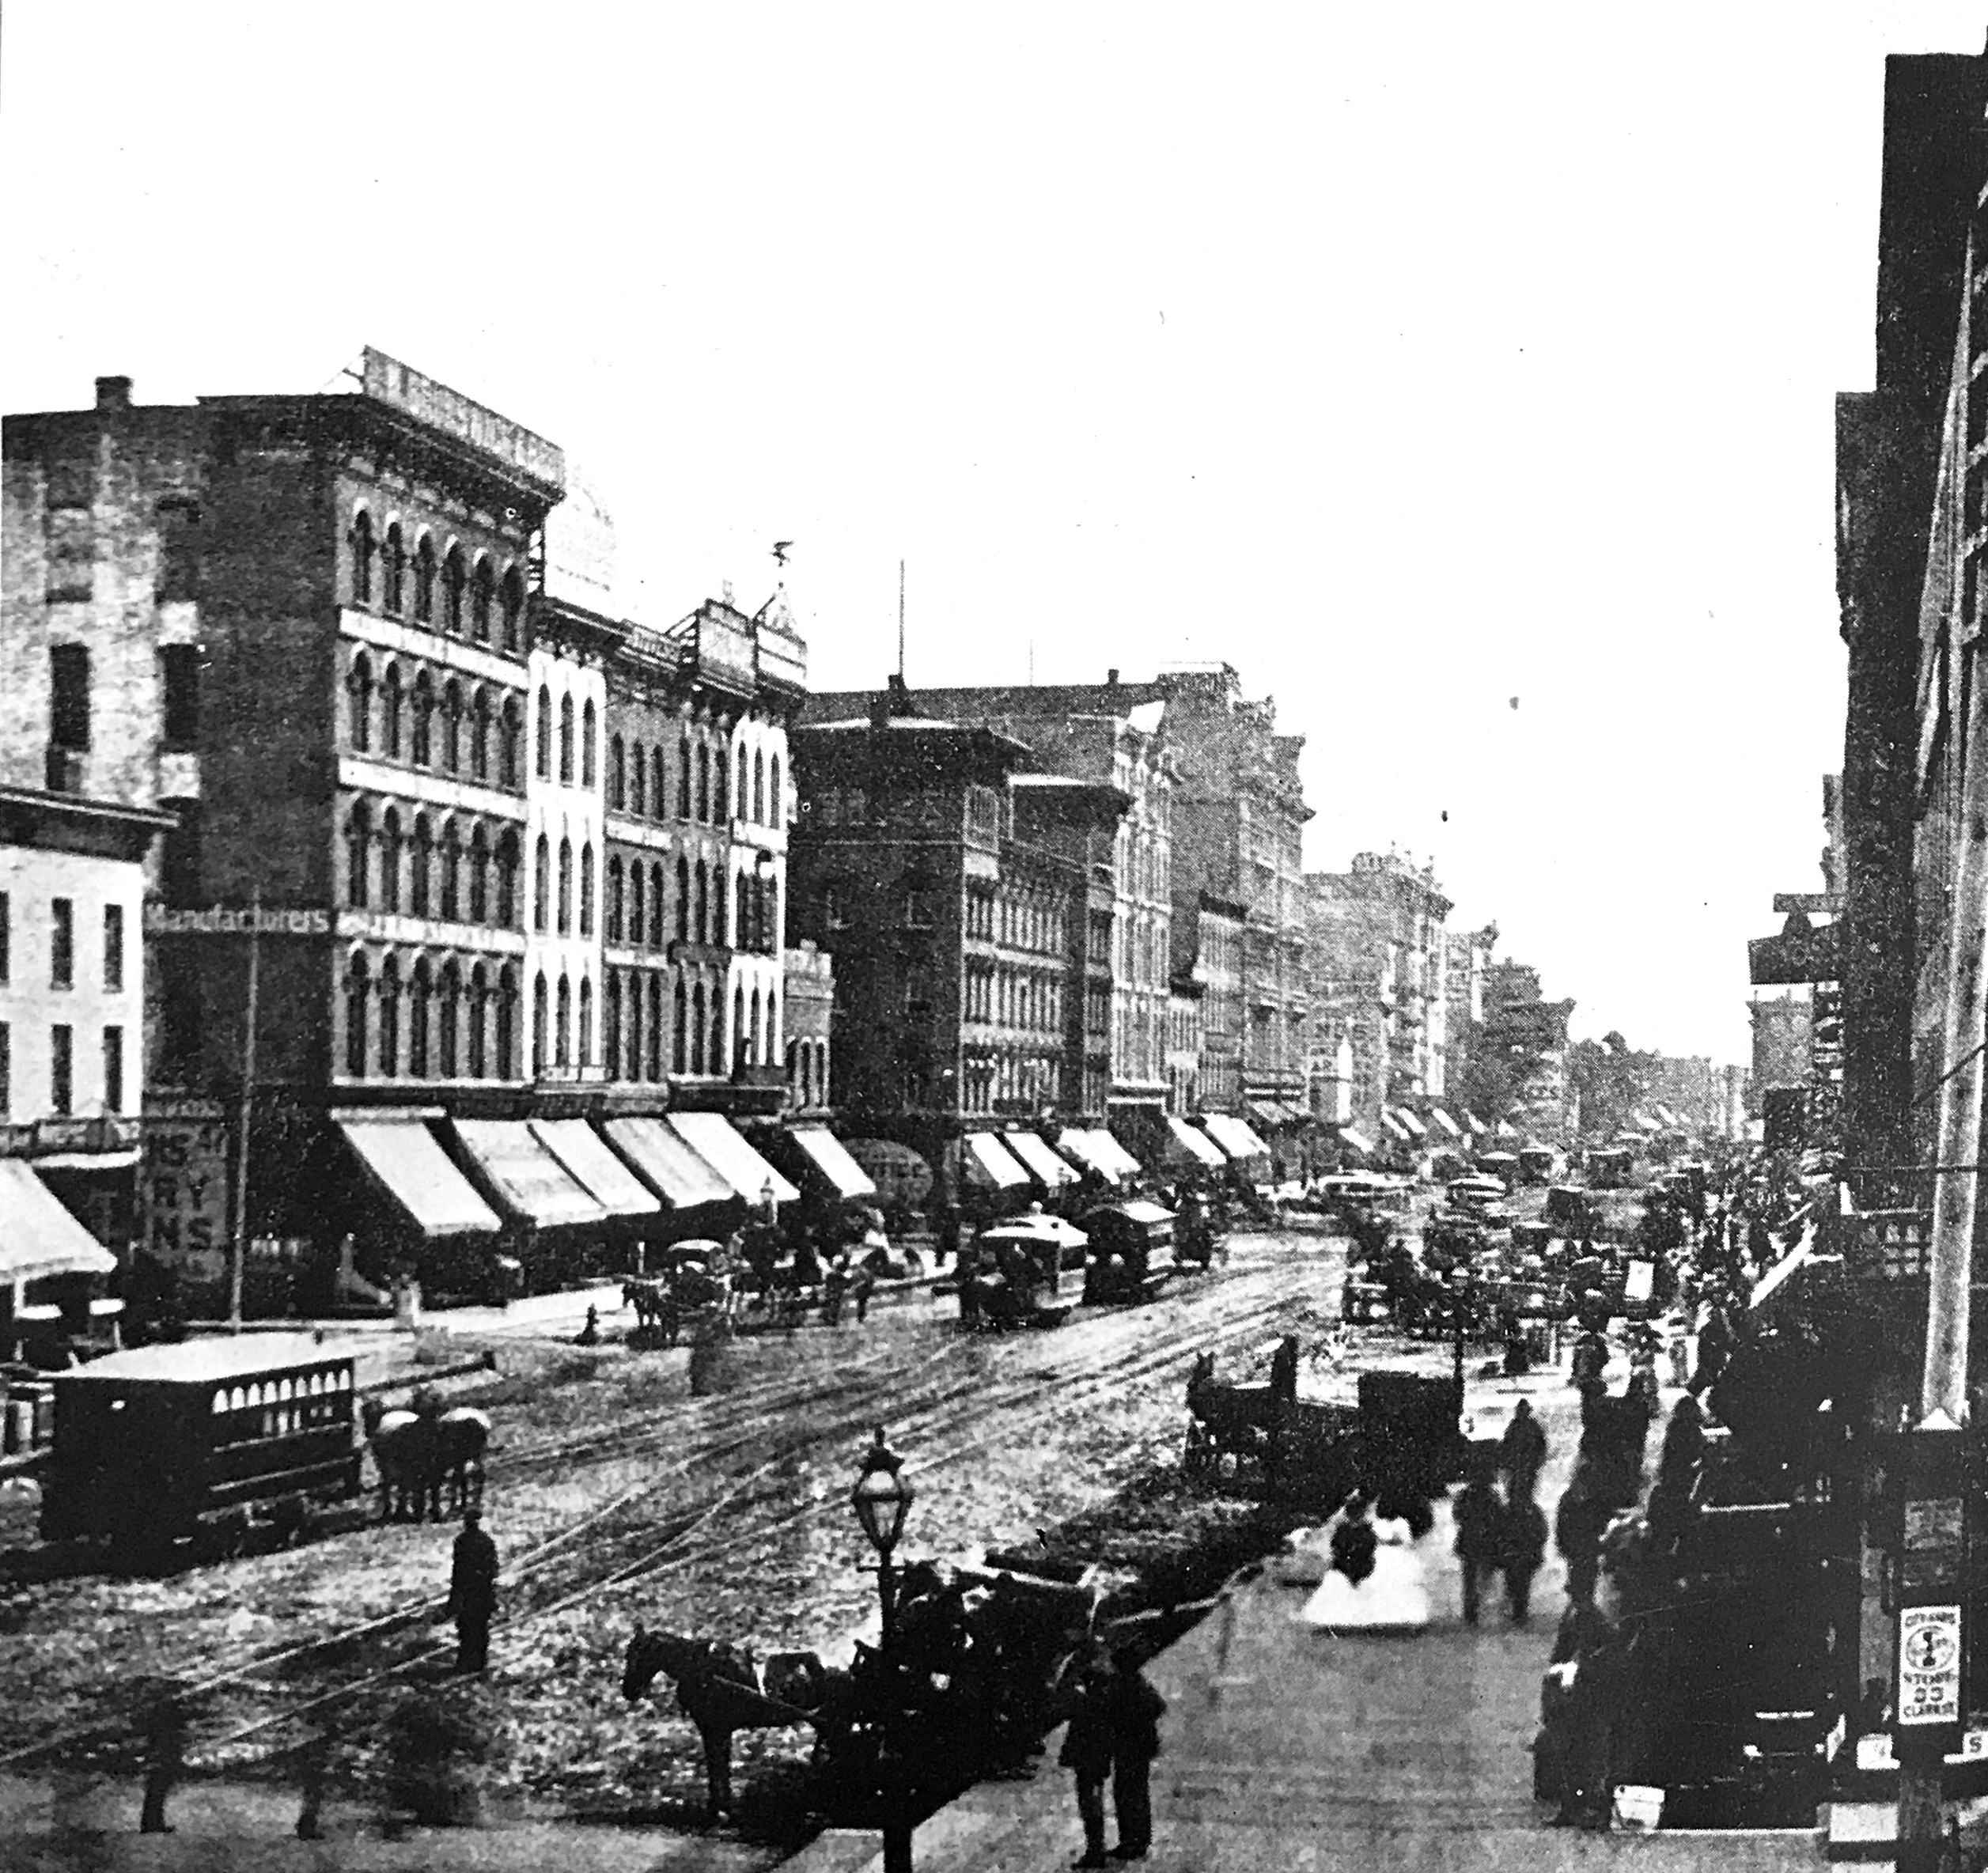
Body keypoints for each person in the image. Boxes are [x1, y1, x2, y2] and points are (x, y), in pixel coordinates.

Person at [1100, 1643, 1166, 1862]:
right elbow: (1158, 1706)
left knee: (1126, 1794)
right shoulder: (1138, 1682)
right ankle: (1140, 1839)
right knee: (1138, 1793)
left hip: (1128, 1746)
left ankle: (1130, 1841)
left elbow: (1109, 1712)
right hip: (1141, 1746)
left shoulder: (1121, 1684)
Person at [1056, 1648, 1115, 1868]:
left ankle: (1095, 1850)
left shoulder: (1089, 1696)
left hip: (1088, 1750)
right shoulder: (1106, 1688)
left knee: (1088, 1798)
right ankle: (1096, 1847)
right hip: (1099, 1750)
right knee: (1093, 1796)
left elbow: (1064, 1697)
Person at [1452, 1459, 1506, 1627]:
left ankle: (1471, 1612)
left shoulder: (1464, 1496)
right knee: (1485, 1577)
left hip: (1469, 1540)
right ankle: (1482, 1610)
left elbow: (1457, 1516)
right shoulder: (1493, 1497)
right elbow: (1499, 1519)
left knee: (1469, 1578)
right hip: (1488, 1542)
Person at [448, 1508, 498, 1674]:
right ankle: (479, 1661)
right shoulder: (487, 1541)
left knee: (467, 1627)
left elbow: (457, 1571)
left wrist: (454, 1596)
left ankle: (466, 1661)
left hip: (467, 1591)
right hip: (482, 1591)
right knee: (480, 1627)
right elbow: (494, 1569)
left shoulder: (461, 1542)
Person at [1501, 1482, 1548, 1625]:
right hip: (1517, 1553)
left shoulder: (1528, 1511)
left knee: (1520, 1583)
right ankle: (1518, 1611)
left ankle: (1518, 1611)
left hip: (1522, 1553)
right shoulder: (1530, 1510)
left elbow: (1542, 1532)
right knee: (1518, 1583)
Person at [1498, 1398, 1547, 1501]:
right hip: (1518, 1465)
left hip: (1526, 1464)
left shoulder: (1532, 1426)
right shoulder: (1515, 1426)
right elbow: (1506, 1444)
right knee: (1516, 1489)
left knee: (1526, 1489)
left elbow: (1541, 1446)